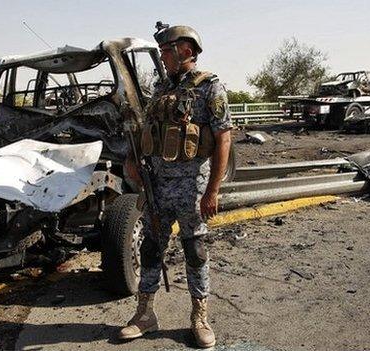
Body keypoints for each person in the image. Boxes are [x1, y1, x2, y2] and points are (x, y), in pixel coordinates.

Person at [118, 22, 233, 349]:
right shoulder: (160, 89)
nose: (163, 57)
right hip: (157, 186)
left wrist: (213, 190)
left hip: (192, 188)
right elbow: (147, 129)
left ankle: (200, 316)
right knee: (151, 248)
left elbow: (224, 139)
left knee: (195, 251)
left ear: (186, 50)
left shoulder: (211, 88)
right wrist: (132, 158)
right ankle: (145, 314)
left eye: (166, 51)